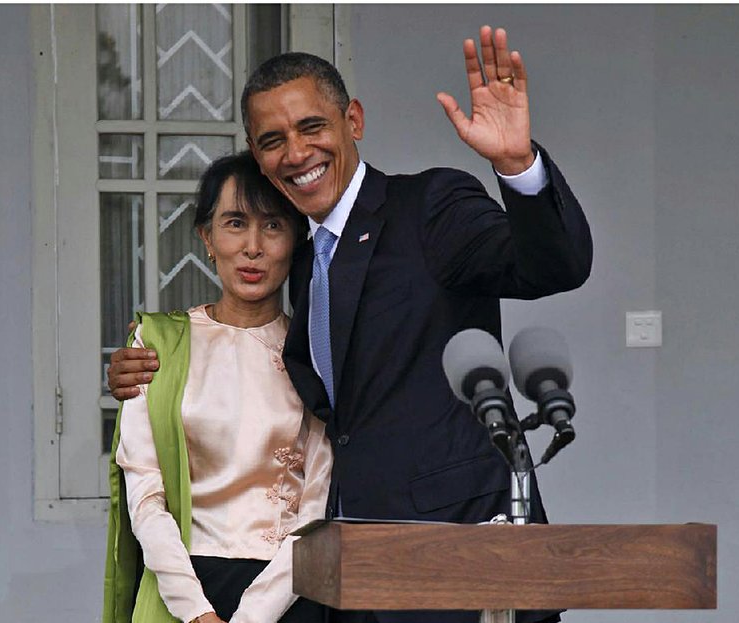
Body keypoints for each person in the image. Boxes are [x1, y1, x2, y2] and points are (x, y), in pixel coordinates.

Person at [109, 26, 592, 623]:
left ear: (353, 121)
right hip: (348, 578)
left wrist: (518, 165)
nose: (296, 152)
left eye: (312, 127)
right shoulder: (305, 259)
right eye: (273, 140)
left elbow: (555, 266)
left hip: (460, 557)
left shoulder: (429, 208)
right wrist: (144, 374)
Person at [102, 151, 333, 623]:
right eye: (234, 223)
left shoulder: (316, 354)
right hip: (178, 592)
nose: (253, 247)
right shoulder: (159, 343)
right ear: (206, 236)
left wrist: (254, 614)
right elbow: (145, 494)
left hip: (286, 594)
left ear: (296, 241)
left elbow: (318, 504)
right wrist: (197, 612)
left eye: (273, 226)